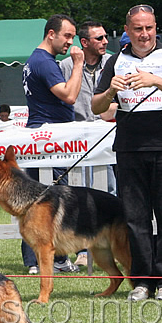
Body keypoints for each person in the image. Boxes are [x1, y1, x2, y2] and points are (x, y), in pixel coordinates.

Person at [92, 4, 162, 301]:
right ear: (127, 31)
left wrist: (155, 81)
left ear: (155, 28)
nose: (144, 34)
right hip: (129, 148)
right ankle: (142, 281)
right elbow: (96, 107)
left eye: (149, 28)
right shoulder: (115, 61)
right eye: (138, 29)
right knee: (135, 219)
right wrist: (110, 92)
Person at [20, 14, 84, 275]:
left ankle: (36, 260)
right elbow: (69, 95)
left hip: (41, 136)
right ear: (51, 34)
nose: (70, 42)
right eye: (67, 35)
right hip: (49, 138)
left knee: (35, 200)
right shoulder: (44, 62)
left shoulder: (37, 60)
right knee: (56, 200)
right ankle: (54, 260)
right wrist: (78, 64)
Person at [60, 21, 113, 268]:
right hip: (76, 139)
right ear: (85, 43)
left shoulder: (113, 62)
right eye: (99, 38)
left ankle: (108, 247)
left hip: (108, 137)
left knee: (109, 193)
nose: (105, 42)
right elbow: (62, 99)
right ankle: (83, 249)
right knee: (79, 197)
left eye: (105, 37)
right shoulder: (66, 66)